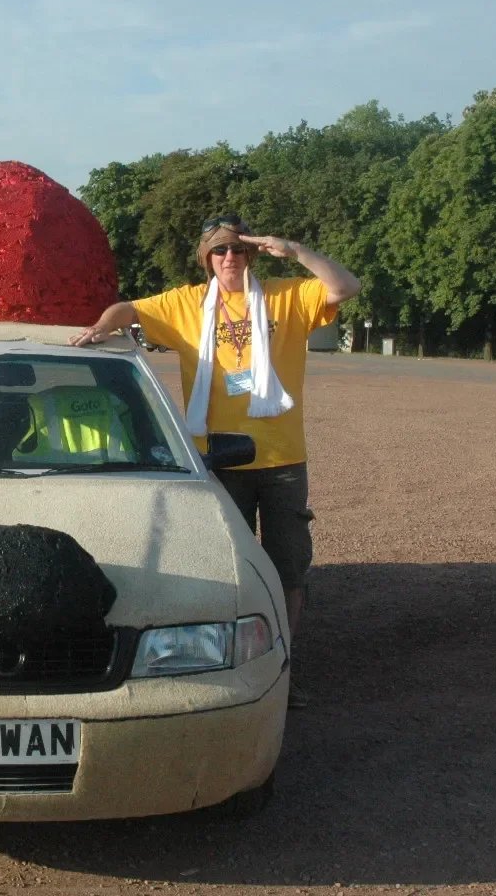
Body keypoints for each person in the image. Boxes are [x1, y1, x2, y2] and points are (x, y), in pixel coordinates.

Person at [70, 214, 360, 707]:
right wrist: (101, 327)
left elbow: (345, 285)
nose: (231, 259)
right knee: (232, 571)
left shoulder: (289, 296)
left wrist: (291, 248)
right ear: (207, 259)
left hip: (282, 460)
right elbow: (126, 310)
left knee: (288, 569)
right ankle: (239, 670)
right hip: (221, 460)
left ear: (251, 255)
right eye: (220, 251)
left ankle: (283, 669)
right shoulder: (185, 304)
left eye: (239, 250)